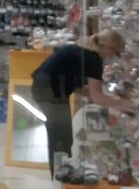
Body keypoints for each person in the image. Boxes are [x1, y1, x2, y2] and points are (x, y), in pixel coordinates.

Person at [30, 29, 131, 176]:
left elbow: (76, 86)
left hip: (42, 89)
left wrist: (107, 98)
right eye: (114, 53)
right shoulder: (94, 59)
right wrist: (122, 104)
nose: (112, 57)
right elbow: (97, 97)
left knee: (58, 136)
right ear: (109, 47)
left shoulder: (79, 50)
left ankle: (60, 176)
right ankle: (62, 177)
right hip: (52, 94)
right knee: (62, 139)